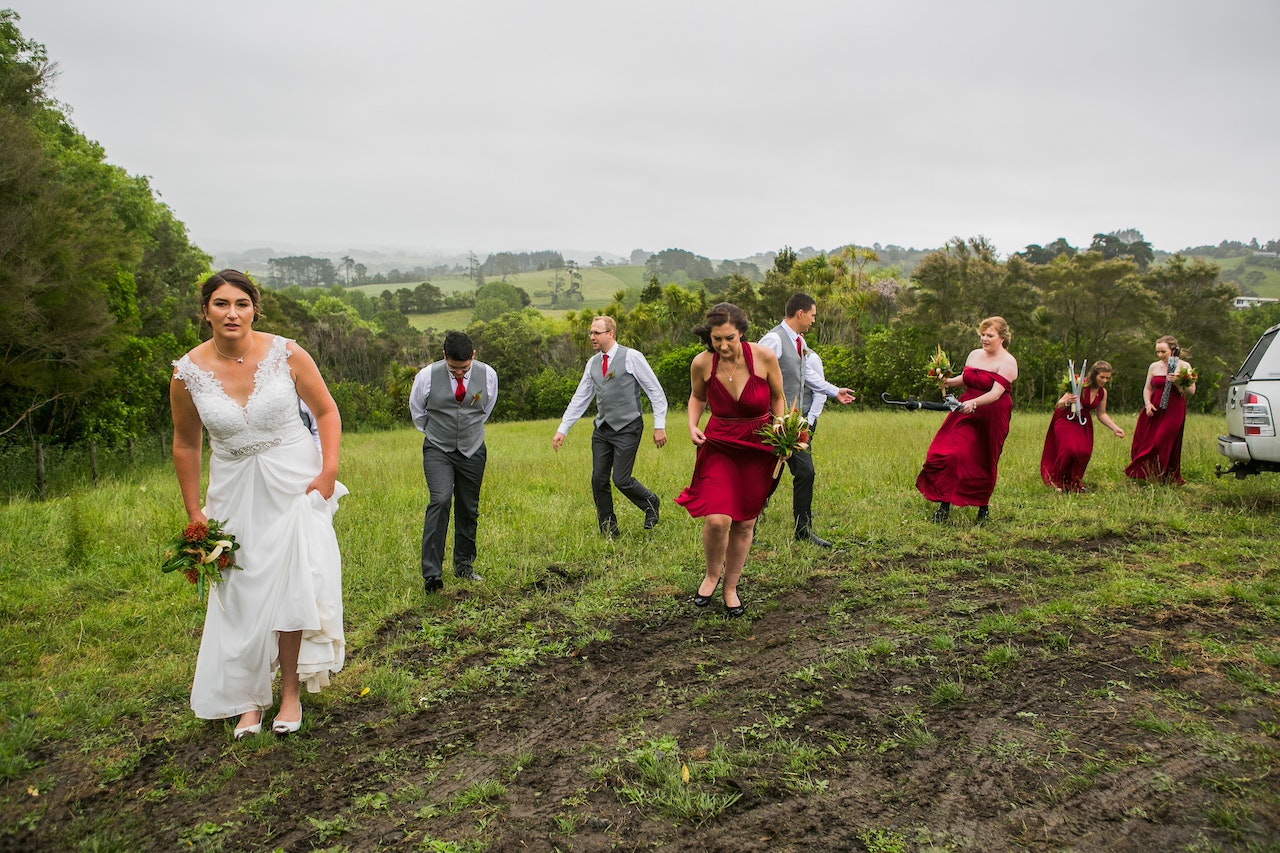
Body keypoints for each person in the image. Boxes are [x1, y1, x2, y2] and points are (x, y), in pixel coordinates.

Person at [170, 269, 346, 739]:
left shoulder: (286, 352)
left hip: (293, 481)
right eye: (222, 304)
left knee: (293, 583)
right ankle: (249, 699)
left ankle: (290, 692)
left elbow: (326, 411)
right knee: (238, 591)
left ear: (254, 309)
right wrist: (194, 511)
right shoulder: (187, 372)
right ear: (205, 310)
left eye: (241, 304)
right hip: (232, 487)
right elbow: (186, 444)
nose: (232, 313)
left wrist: (327, 471)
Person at [675, 302, 787, 617]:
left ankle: (731, 587)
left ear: (741, 334)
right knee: (717, 518)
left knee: (744, 521)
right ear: (709, 338)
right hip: (720, 443)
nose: (723, 346)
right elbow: (697, 397)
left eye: (729, 339)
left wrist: (780, 426)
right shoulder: (702, 364)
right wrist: (692, 424)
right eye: (717, 340)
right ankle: (712, 574)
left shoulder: (763, 357)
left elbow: (778, 397)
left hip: (758, 446)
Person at [552, 316, 668, 536]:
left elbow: (655, 391)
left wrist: (659, 425)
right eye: (591, 333)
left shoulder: (631, 357)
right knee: (598, 479)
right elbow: (581, 398)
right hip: (602, 429)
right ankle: (608, 528)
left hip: (628, 426)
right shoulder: (592, 363)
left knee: (621, 480)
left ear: (610, 334)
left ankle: (650, 502)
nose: (592, 337)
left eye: (596, 333)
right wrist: (562, 429)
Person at [757, 293, 856, 547]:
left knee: (806, 472)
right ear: (800, 313)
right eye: (812, 315)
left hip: (794, 423)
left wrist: (835, 392)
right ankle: (748, 529)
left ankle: (803, 531)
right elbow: (755, 376)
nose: (814, 320)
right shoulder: (774, 339)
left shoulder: (799, 342)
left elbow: (808, 375)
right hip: (771, 422)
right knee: (764, 476)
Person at [410, 331, 498, 593]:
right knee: (439, 500)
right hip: (438, 447)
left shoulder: (488, 375)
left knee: (468, 507)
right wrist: (441, 434)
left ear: (473, 356)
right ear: (444, 356)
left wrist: (467, 431)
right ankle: (432, 575)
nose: (459, 374)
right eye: (453, 368)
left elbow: (486, 409)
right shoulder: (426, 377)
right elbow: (418, 412)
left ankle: (464, 566)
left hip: (473, 449)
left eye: (464, 368)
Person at [916, 316, 1019, 523]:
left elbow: (996, 393)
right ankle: (944, 503)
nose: (984, 339)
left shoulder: (1008, 362)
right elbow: (966, 379)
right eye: (982, 334)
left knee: (982, 459)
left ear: (1002, 338)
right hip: (964, 408)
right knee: (948, 452)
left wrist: (974, 403)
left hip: (991, 412)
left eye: (990, 335)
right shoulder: (974, 355)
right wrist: (946, 381)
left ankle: (983, 506)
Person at [1040, 360, 1125, 493]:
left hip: (1083, 421)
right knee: (1069, 450)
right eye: (1102, 377)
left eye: (1107, 378)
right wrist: (1066, 401)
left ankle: (1072, 480)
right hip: (1066, 417)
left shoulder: (1102, 392)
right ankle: (1058, 480)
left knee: (1083, 452)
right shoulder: (1079, 384)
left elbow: (1101, 414)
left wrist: (1115, 428)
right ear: (1094, 375)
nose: (1104, 380)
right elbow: (1059, 404)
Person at [1125, 335, 1195, 485]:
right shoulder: (1154, 367)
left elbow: (1191, 391)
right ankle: (1145, 473)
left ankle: (1162, 474)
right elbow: (1147, 388)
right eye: (1158, 352)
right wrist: (1148, 404)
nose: (1160, 355)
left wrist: (1177, 381)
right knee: (1146, 440)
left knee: (1161, 440)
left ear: (1173, 350)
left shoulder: (1184, 366)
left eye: (1163, 351)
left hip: (1174, 408)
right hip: (1155, 406)